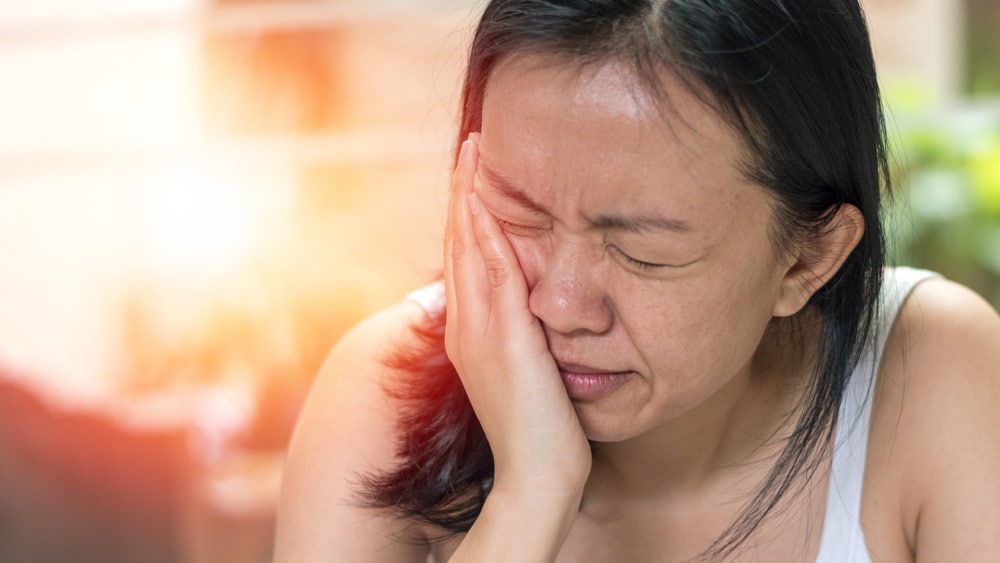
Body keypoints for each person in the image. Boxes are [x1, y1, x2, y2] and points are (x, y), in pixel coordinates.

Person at [273, 0, 1000, 561]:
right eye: (518, 215)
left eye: (641, 252)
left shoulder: (933, 376)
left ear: (808, 257)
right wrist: (529, 497)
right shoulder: (384, 396)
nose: (560, 306)